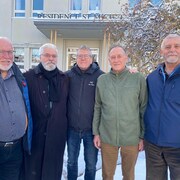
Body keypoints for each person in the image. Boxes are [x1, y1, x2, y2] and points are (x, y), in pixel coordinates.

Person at [93, 44, 147, 180]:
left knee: (128, 175)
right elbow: (98, 106)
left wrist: (142, 136)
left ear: (126, 58)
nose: (116, 60)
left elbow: (143, 107)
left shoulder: (138, 78)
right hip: (107, 136)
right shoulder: (102, 80)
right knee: (107, 174)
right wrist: (96, 133)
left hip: (131, 136)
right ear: (109, 60)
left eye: (119, 56)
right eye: (113, 57)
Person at [24, 43, 69, 180]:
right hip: (35, 134)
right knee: (33, 171)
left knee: (53, 172)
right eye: (47, 55)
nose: (51, 58)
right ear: (40, 57)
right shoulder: (27, 77)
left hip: (56, 135)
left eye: (54, 56)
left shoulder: (65, 79)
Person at [144, 33, 180, 180]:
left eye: (177, 46)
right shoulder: (152, 78)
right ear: (161, 51)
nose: (172, 50)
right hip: (153, 146)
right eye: (168, 46)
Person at [66, 45, 104, 180]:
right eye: (80, 56)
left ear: (91, 58)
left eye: (85, 56)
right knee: (71, 163)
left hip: (91, 131)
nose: (82, 58)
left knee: (91, 165)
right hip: (72, 129)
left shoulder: (101, 76)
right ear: (76, 58)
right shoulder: (68, 76)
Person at [0, 37, 33, 180]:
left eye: (10, 52)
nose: (6, 56)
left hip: (16, 149)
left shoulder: (20, 78)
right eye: (2, 52)